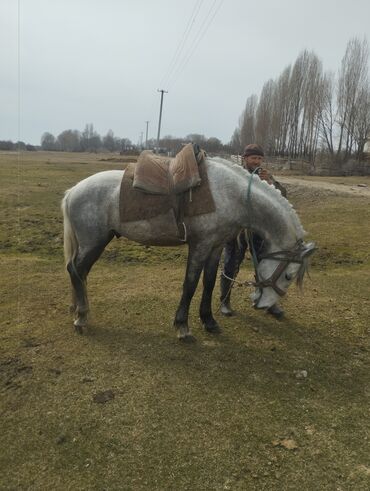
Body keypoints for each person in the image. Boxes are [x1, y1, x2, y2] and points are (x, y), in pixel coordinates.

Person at [220, 143, 287, 319]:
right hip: (237, 229)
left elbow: (282, 195)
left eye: (259, 158)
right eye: (253, 158)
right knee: (231, 263)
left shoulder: (265, 175)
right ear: (245, 158)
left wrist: (270, 183)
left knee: (265, 265)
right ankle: (224, 301)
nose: (256, 161)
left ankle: (266, 301)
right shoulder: (235, 174)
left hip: (259, 229)